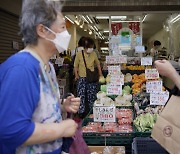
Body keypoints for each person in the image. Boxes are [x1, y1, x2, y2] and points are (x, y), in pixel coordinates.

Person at [0, 0, 80, 154]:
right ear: (42, 30)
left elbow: (36, 111)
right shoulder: (21, 69)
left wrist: (62, 106)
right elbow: (11, 130)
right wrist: (61, 129)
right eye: (62, 27)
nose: (66, 35)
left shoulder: (47, 66)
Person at [74, 37, 102, 118]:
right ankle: (81, 112)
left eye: (92, 47)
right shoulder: (79, 54)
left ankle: (92, 111)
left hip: (91, 78)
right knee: (81, 95)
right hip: (82, 77)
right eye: (89, 47)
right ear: (85, 47)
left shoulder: (94, 54)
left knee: (92, 95)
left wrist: (100, 73)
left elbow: (98, 64)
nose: (91, 48)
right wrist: (76, 75)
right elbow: (75, 66)